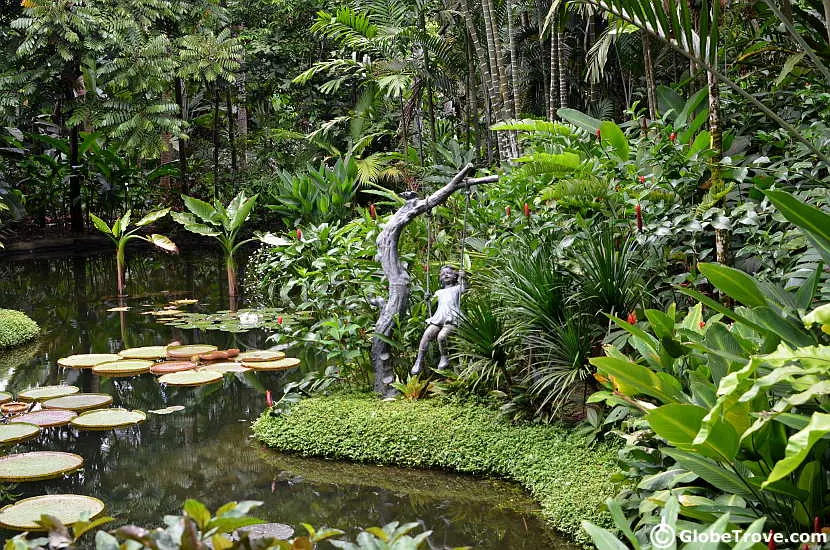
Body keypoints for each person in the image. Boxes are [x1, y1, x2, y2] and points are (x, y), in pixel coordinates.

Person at [411, 266, 466, 375]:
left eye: (449, 273)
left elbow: (465, 288)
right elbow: (432, 301)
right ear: (440, 278)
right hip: (439, 317)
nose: (445, 275)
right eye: (443, 274)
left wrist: (464, 278)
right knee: (426, 335)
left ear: (455, 276)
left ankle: (444, 357)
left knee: (441, 337)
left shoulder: (457, 288)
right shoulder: (439, 292)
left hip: (452, 317)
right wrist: (428, 298)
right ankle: (419, 361)